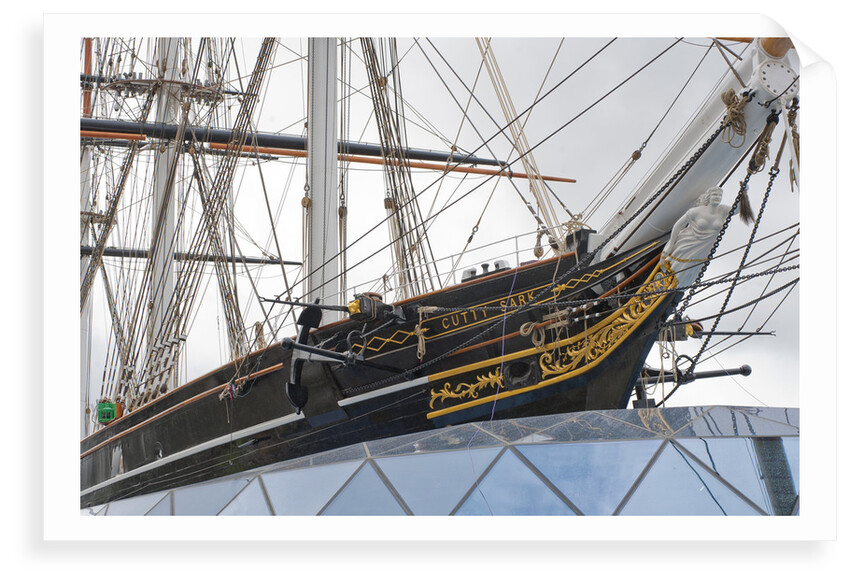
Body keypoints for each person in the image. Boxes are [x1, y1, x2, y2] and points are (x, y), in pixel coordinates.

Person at [661, 186, 734, 288]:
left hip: (703, 250)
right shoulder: (696, 211)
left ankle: (676, 290)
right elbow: (678, 225)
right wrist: (671, 244)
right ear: (708, 197)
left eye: (720, 195)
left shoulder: (723, 210)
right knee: (677, 270)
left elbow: (739, 209)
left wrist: (744, 193)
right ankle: (669, 287)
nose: (717, 197)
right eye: (714, 195)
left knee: (689, 274)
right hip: (687, 245)